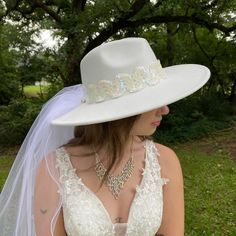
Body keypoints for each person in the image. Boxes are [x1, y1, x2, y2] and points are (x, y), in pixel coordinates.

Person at [0, 37, 210, 236]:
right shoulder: (53, 168)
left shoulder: (165, 161)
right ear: (124, 109)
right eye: (153, 101)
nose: (165, 109)